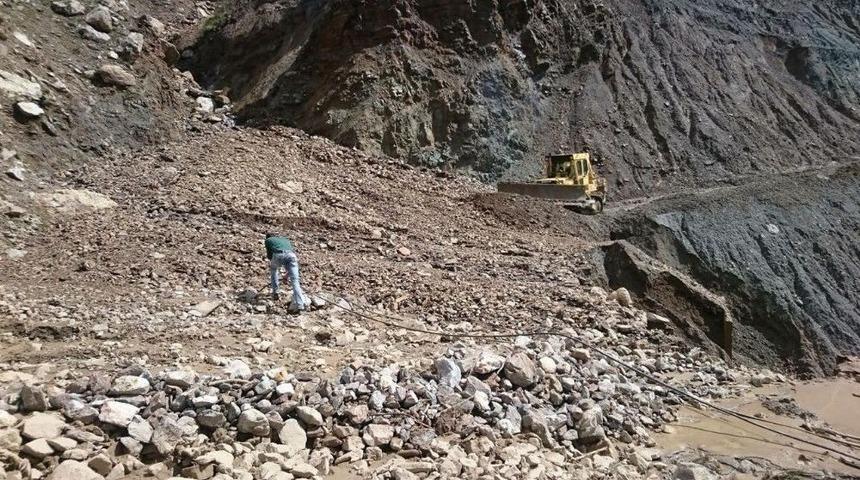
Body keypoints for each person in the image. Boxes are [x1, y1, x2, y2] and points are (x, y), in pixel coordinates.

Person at [264, 233, 307, 311]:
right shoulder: (285, 240)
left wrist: (275, 264)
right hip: (291, 256)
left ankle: (275, 292)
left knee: (274, 270)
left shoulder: (268, 240)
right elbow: (289, 256)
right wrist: (286, 276)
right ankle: (300, 305)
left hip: (278, 254)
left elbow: (270, 256)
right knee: (295, 281)